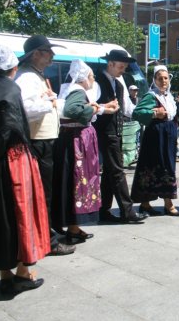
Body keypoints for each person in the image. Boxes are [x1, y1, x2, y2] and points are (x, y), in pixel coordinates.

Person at [15, 34, 76, 255]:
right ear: (36, 54)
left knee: (45, 192)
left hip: (44, 142)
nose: (52, 55)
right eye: (48, 51)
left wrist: (52, 102)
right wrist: (48, 101)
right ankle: (46, 240)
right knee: (42, 194)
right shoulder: (27, 78)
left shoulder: (35, 76)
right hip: (38, 143)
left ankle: (46, 234)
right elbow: (25, 110)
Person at [0, 45, 50, 294]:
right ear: (13, 68)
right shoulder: (12, 87)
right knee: (21, 213)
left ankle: (4, 274)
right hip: (13, 159)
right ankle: (22, 272)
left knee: (0, 216)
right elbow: (15, 125)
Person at [51, 60, 115, 244]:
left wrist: (102, 108)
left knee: (73, 183)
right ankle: (73, 226)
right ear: (85, 77)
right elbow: (73, 110)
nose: (93, 80)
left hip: (72, 141)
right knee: (79, 181)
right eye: (92, 77)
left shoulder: (69, 90)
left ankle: (72, 226)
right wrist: (94, 108)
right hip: (77, 143)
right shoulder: (78, 91)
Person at [92, 49, 148, 223]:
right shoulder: (97, 82)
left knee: (110, 172)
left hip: (116, 131)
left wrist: (147, 114)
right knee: (117, 171)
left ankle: (104, 210)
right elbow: (90, 105)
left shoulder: (118, 83)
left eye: (124, 67)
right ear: (110, 64)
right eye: (121, 66)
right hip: (104, 132)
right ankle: (128, 211)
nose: (123, 70)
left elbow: (127, 109)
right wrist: (104, 107)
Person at [130, 65, 179, 217]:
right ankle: (150, 203)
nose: (163, 80)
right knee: (151, 167)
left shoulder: (169, 97)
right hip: (155, 137)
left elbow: (172, 114)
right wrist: (154, 113)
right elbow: (137, 113)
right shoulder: (151, 96)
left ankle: (164, 202)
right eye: (160, 78)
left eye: (166, 78)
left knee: (168, 166)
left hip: (169, 135)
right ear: (155, 80)